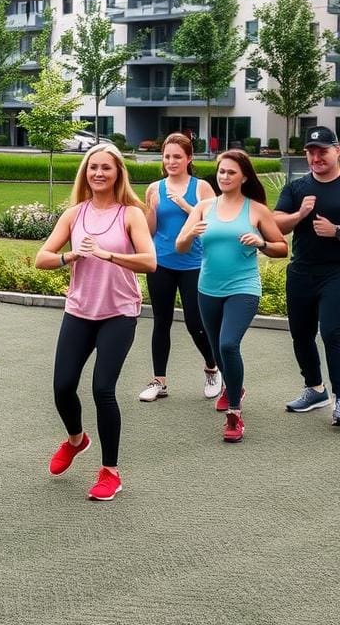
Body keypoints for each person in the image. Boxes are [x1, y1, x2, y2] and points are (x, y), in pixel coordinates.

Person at [34, 144, 156, 502]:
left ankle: (110, 472)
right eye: (92, 168)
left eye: (106, 168)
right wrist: (70, 255)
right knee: (62, 386)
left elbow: (150, 262)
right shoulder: (74, 214)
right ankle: (76, 440)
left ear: (118, 172)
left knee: (103, 389)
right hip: (79, 310)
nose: (98, 173)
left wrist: (109, 255)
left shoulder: (131, 214)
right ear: (85, 173)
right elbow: (42, 257)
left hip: (119, 312)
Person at [176, 150, 287, 443]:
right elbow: (180, 247)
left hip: (243, 287)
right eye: (221, 172)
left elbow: (281, 247)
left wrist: (261, 242)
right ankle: (234, 387)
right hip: (208, 289)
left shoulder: (256, 210)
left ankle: (234, 414)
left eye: (231, 173)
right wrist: (190, 234)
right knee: (217, 347)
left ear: (244, 177)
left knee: (227, 344)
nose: (224, 177)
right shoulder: (203, 207)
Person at [139, 133, 219, 402]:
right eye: (167, 156)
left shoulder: (202, 188)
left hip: (193, 264)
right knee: (161, 322)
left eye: (177, 156)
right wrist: (150, 210)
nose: (171, 161)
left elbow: (212, 224)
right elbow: (150, 230)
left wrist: (184, 204)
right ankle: (159, 381)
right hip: (161, 262)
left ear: (189, 158)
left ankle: (211, 367)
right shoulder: (154, 188)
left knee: (195, 322)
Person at [274, 126, 340, 423]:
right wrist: (299, 215)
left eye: (322, 151)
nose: (316, 157)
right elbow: (277, 225)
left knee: (332, 332)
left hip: (336, 272)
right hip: (301, 270)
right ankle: (315, 389)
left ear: (337, 151)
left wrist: (336, 231)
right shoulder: (296, 188)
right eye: (311, 152)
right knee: (301, 334)